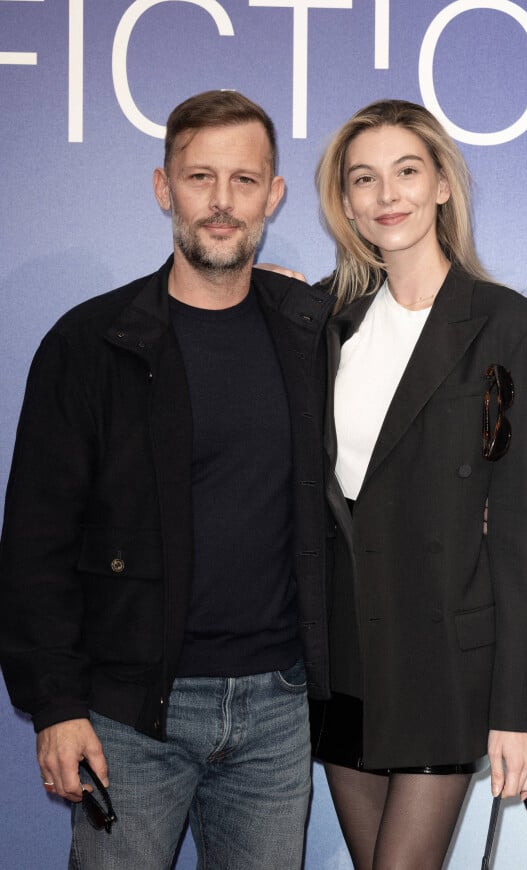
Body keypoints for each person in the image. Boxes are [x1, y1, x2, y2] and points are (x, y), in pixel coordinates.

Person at [0, 90, 334, 869]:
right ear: (163, 188)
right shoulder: (90, 344)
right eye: (199, 178)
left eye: (245, 181)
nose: (222, 203)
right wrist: (55, 705)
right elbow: (35, 541)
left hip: (278, 711)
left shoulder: (310, 332)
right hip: (129, 714)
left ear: (273, 196)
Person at [265, 98, 527, 869]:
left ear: (439, 185)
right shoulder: (324, 324)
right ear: (346, 202)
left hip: (444, 666)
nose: (385, 194)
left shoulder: (509, 329)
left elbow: (526, 538)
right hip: (343, 658)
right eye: (364, 179)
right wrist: (269, 298)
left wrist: (513, 715)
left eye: (405, 171)